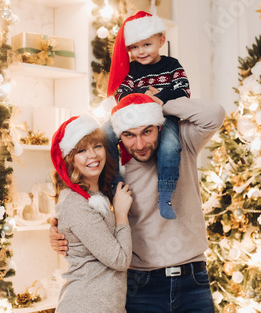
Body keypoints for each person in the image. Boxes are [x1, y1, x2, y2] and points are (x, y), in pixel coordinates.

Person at [51, 94, 225, 312]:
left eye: (147, 131)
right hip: (141, 285)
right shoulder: (111, 168)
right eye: (129, 135)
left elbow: (214, 114)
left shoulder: (184, 143)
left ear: (159, 126)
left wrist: (162, 102)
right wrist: (58, 230)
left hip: (193, 280)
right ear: (118, 135)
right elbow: (84, 206)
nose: (140, 144)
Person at [104, 10, 191, 220]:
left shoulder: (172, 65)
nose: (141, 52)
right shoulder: (132, 69)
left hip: (162, 117)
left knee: (170, 144)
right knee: (104, 133)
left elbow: (183, 91)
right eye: (134, 47)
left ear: (161, 41)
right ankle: (115, 181)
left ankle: (166, 193)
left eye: (147, 45)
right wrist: (144, 95)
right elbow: (122, 92)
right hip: (133, 115)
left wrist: (161, 96)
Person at [50, 114, 133, 313]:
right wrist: (121, 213)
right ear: (70, 159)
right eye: (81, 151)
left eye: (97, 146)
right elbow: (120, 260)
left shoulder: (97, 196)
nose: (93, 155)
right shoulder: (76, 202)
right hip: (85, 306)